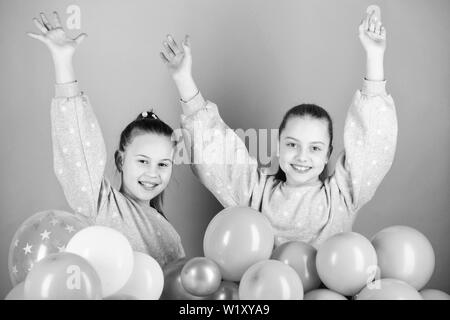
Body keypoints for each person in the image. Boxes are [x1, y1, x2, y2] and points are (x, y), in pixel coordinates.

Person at [161, 9, 397, 248]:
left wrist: (374, 56)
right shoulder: (256, 194)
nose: (302, 156)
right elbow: (214, 153)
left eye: (315, 148)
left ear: (327, 155)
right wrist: (183, 78)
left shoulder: (342, 196)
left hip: (327, 287)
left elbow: (372, 144)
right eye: (292, 144)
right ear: (278, 147)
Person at [28, 11, 185, 266]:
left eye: (163, 164)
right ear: (121, 160)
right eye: (143, 161)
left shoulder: (170, 235)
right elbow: (78, 149)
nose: (152, 173)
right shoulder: (102, 204)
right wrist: (63, 62)